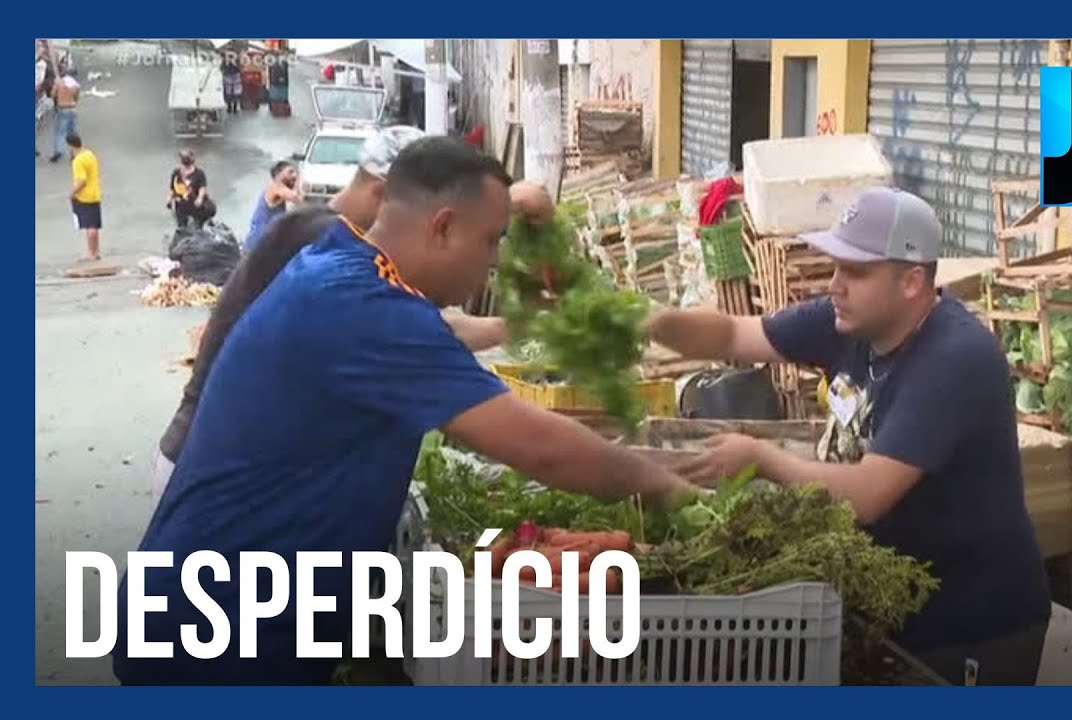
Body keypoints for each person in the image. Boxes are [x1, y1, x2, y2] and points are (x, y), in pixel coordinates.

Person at [114, 137, 690, 687]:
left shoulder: (345, 265)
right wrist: (666, 482)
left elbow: (438, 334)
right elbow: (542, 447)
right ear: (441, 227)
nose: (492, 263)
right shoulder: (367, 308)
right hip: (218, 639)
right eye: (490, 241)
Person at [646, 186, 1052, 686]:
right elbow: (732, 335)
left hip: (971, 625)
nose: (836, 284)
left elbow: (868, 495)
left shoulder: (954, 359)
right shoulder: (847, 322)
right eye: (835, 265)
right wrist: (647, 323)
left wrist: (761, 458)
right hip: (891, 607)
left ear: (911, 281)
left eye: (856, 271)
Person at [148, 126, 510, 508]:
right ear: (385, 195)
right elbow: (412, 333)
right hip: (211, 470)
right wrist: (509, 327)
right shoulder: (323, 245)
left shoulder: (326, 235)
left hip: (242, 466)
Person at [242, 160, 303, 253]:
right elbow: (296, 198)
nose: (294, 176)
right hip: (259, 245)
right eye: (290, 172)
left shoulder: (279, 191)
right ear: (278, 174)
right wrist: (298, 184)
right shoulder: (275, 187)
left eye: (295, 173)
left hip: (266, 244)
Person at [66, 133, 102, 262]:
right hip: (95, 194)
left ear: (70, 146)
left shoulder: (78, 161)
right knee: (95, 225)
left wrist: (72, 193)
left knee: (89, 226)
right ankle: (96, 251)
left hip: (84, 197)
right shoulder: (90, 154)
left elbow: (81, 181)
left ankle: (91, 253)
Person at [167, 150, 215, 228]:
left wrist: (199, 198)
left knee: (197, 226)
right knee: (182, 227)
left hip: (195, 206)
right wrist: (169, 199)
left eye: (187, 158)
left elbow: (202, 188)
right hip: (181, 206)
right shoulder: (176, 173)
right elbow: (172, 188)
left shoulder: (199, 173)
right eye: (183, 158)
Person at [48, 67, 80, 163]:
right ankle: (74, 153)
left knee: (59, 132)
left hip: (62, 109)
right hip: (72, 109)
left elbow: (52, 94)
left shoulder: (59, 83)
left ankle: (57, 151)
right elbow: (76, 98)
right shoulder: (76, 85)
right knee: (72, 132)